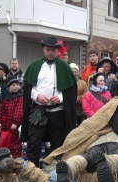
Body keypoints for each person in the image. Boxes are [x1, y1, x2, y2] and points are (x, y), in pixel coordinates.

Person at [20, 36, 77, 166]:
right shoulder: (34, 66)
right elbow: (29, 89)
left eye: (53, 50)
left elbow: (70, 91)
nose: (50, 52)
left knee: (57, 144)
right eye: (48, 49)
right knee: (34, 142)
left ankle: (54, 172)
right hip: (38, 112)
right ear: (43, 49)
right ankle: (32, 171)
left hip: (57, 112)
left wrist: (61, 98)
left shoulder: (65, 67)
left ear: (57, 51)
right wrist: (37, 96)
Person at [0, 76, 23, 158]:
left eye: (17, 85)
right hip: (5, 124)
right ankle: (5, 157)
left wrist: (16, 122)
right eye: (13, 85)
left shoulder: (20, 97)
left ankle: (15, 158)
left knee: (15, 142)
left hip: (14, 125)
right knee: (5, 141)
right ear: (9, 86)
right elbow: (1, 110)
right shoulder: (5, 97)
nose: (16, 87)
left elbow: (19, 110)